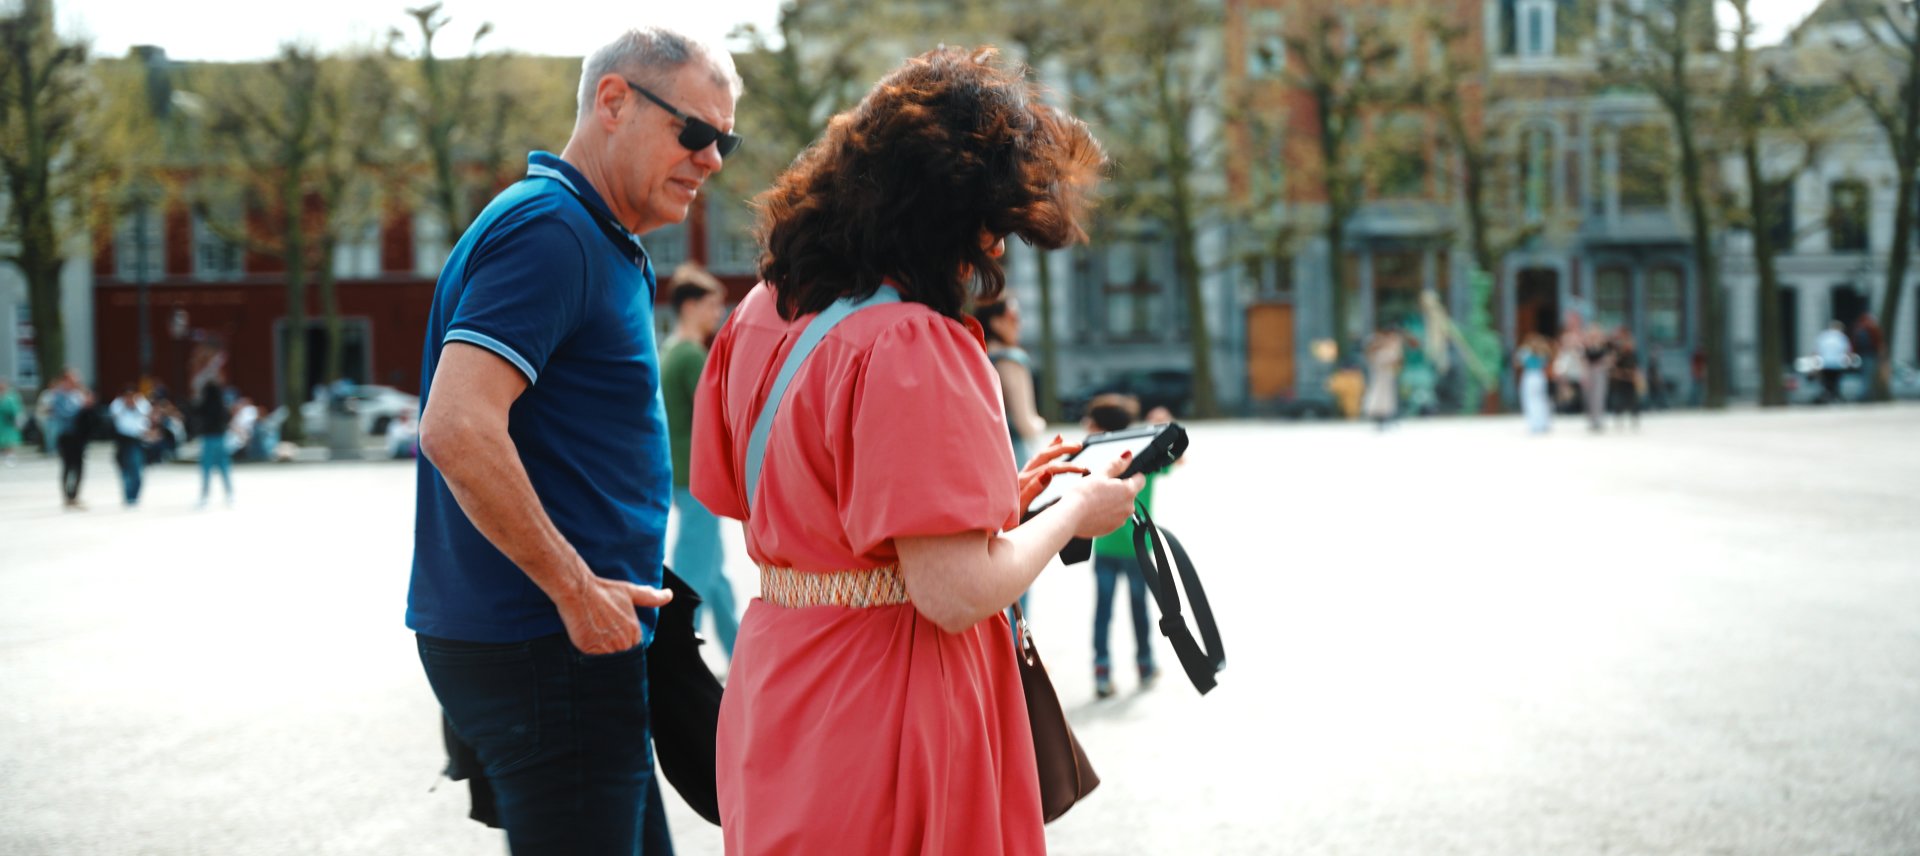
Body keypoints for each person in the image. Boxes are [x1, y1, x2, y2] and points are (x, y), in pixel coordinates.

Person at [689, 47, 1137, 854]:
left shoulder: (760, 313)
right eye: (990, 225)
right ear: (940, 213)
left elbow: (768, 497)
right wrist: (1073, 509)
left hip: (780, 684)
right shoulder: (910, 342)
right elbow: (955, 592)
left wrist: (993, 496)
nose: (993, 252)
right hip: (892, 702)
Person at [408, 27, 739, 854]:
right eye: (695, 133)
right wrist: (576, 590)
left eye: (725, 141)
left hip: (563, 644)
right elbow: (456, 424)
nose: (713, 160)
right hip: (547, 646)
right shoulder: (552, 231)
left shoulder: (585, 230)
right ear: (614, 102)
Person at [660, 261, 738, 660]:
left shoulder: (670, 349)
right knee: (693, 574)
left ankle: (740, 654)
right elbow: (722, 415)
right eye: (712, 306)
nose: (717, 315)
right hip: (698, 482)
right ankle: (678, 659)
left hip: (682, 477)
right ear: (690, 306)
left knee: (715, 574)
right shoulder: (690, 357)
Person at [1081, 393, 1161, 700]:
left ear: (1100, 426)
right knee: (1139, 609)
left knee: (1103, 613)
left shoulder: (1097, 459)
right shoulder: (1144, 455)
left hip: (1105, 548)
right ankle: (1145, 664)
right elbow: (1176, 458)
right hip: (1137, 548)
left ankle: (1102, 671)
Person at [973, 297, 1047, 466]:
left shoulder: (973, 355)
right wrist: (1040, 425)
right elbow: (1024, 422)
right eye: (1014, 317)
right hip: (1015, 454)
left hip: (982, 454)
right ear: (996, 322)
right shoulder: (1012, 360)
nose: (1019, 324)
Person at [53, 375, 94, 509]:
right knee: (67, 466)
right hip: (66, 435)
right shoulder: (58, 396)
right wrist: (81, 407)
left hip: (79, 437)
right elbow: (64, 414)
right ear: (64, 381)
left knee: (79, 467)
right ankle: (67, 496)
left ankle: (75, 495)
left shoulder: (77, 395)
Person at [108, 385, 151, 507]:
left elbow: (147, 413)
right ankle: (128, 496)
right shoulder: (118, 405)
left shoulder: (141, 405)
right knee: (125, 470)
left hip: (137, 441)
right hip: (123, 441)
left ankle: (134, 495)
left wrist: (135, 404)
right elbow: (114, 414)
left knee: (137, 469)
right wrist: (125, 405)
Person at [1362, 326, 1412, 430]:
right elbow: (1377, 358)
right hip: (1381, 376)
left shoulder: (1392, 345)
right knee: (1380, 397)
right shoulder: (1379, 344)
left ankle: (1388, 417)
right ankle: (1381, 417)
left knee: (1389, 397)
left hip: (1389, 376)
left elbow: (1397, 361)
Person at [195, 379, 234, 508]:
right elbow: (227, 418)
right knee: (224, 467)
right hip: (221, 438)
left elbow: (195, 413)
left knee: (206, 468)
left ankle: (204, 497)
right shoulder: (222, 404)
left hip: (208, 438)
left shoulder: (204, 404)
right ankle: (229, 494)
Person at [1515, 333, 1553, 435]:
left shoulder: (1525, 352)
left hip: (1530, 376)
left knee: (1530, 400)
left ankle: (1534, 424)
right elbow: (1546, 363)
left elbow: (1518, 363)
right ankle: (1543, 423)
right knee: (1541, 400)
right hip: (1540, 376)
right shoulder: (1543, 352)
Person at [1606, 328, 1643, 430]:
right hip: (1620, 382)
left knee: (1633, 401)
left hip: (1630, 382)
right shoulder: (1618, 354)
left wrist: (1634, 375)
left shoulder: (1632, 355)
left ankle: (1634, 418)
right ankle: (1618, 418)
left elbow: (1636, 368)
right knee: (1619, 401)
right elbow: (1613, 369)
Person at [1815, 320, 1852, 403]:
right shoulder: (1842, 337)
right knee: (1835, 382)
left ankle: (1827, 396)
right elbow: (1847, 351)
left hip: (1825, 363)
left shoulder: (1823, 336)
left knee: (1827, 382)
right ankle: (1835, 396)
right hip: (1837, 363)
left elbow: (1817, 350)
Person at [0, 379, 21, 466]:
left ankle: (10, 457)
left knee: (9, 441)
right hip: (2, 424)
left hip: (8, 423)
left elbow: (15, 410)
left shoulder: (10, 397)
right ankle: (4, 455)